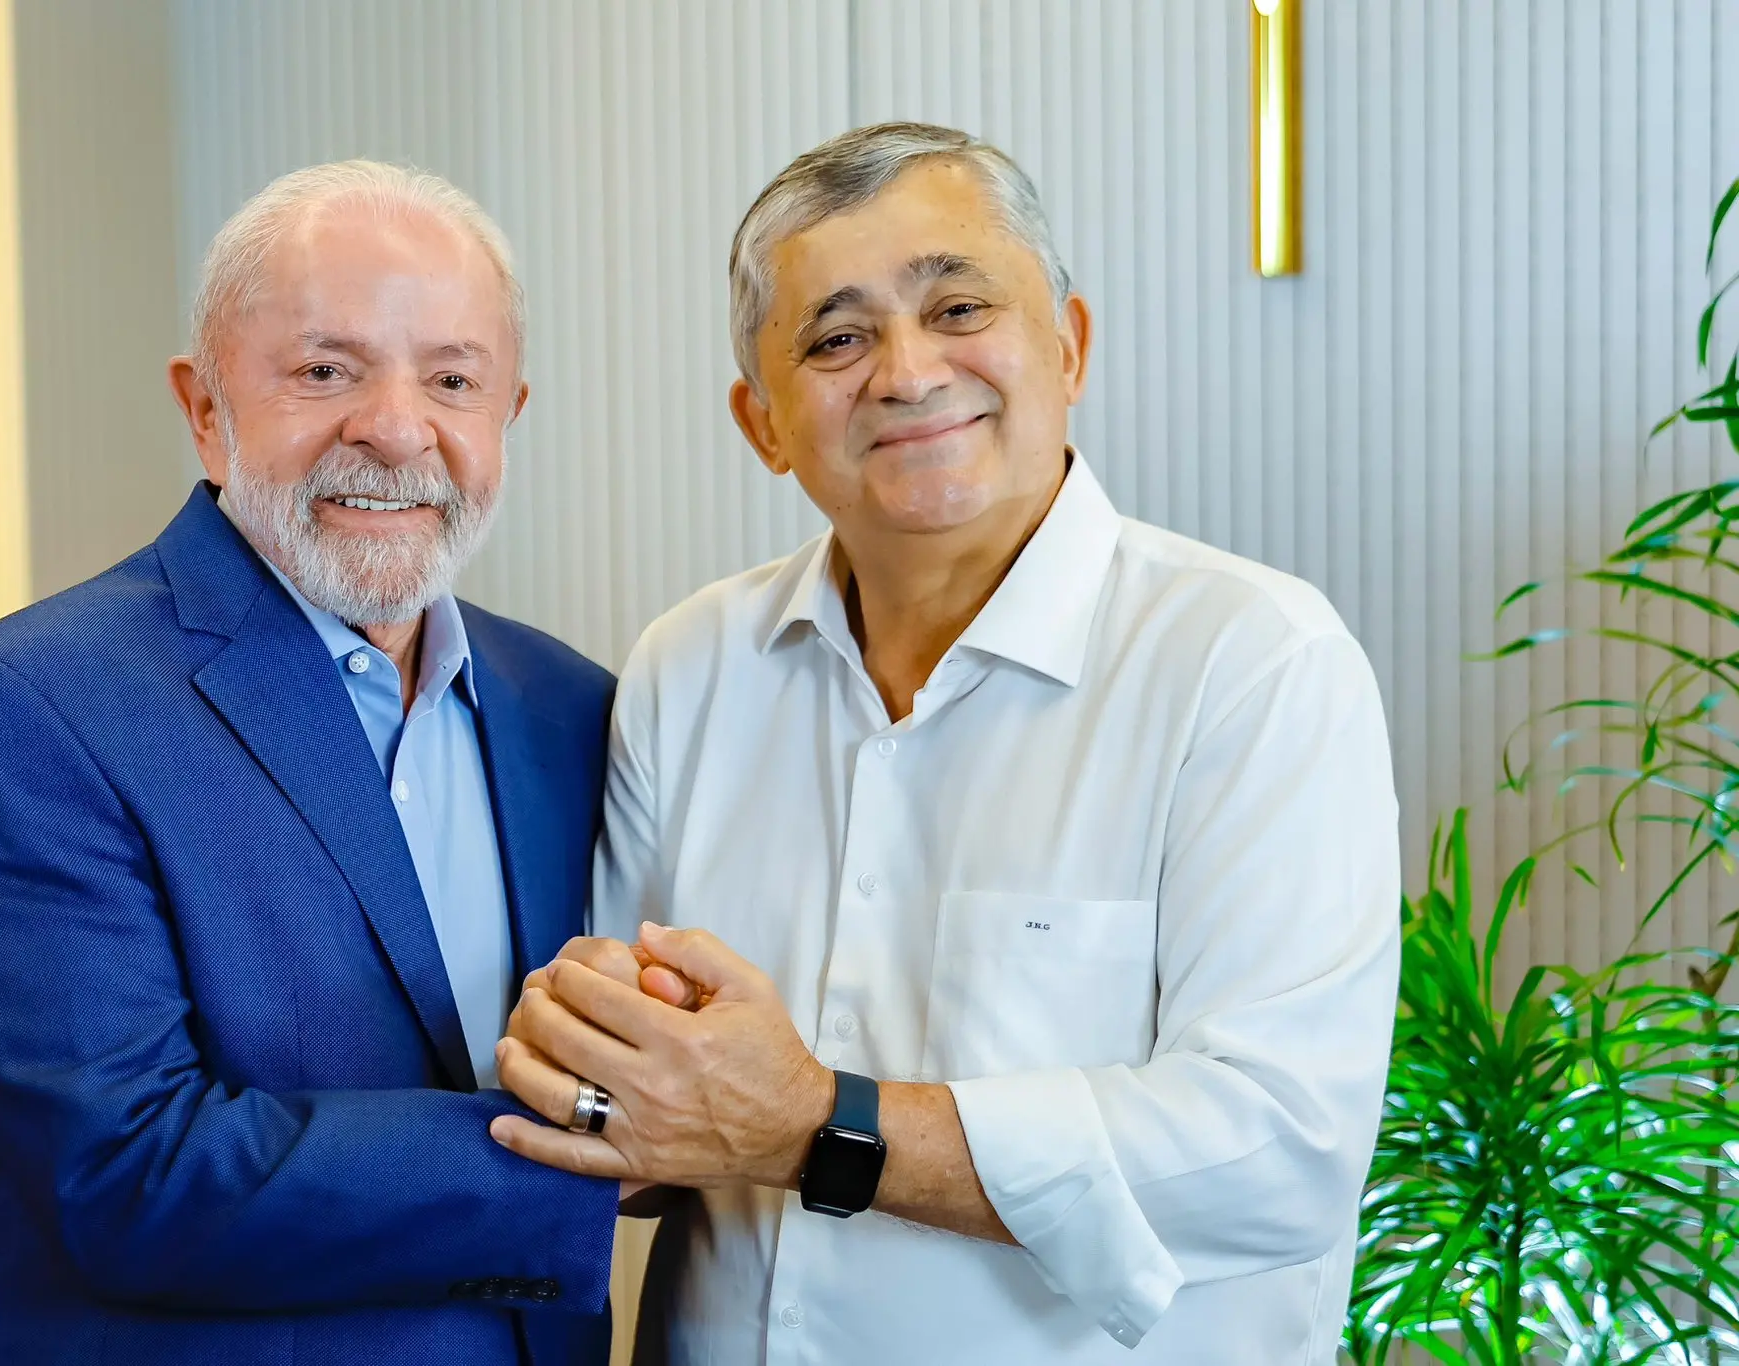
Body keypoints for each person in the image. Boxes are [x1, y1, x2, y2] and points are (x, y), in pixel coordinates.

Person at [492, 122, 1402, 1364]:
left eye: (957, 306)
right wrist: (599, 1090)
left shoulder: (1250, 663)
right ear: (760, 421)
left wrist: (816, 1123)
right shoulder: (686, 666)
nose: (906, 373)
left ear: (1068, 345)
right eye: (836, 337)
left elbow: (1277, 1150)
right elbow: (633, 1106)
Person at [0, 161, 620, 1365]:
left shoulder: (570, 705)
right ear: (203, 408)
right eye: (325, 370)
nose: (395, 427)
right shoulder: (27, 707)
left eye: (452, 378)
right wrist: (607, 1149)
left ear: (508, 416)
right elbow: (129, 1174)